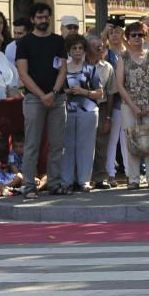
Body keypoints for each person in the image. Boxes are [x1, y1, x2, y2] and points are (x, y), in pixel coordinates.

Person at [16, 3, 68, 199]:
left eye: (46, 17)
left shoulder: (58, 41)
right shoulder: (25, 42)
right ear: (32, 19)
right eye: (39, 17)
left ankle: (54, 183)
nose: (43, 20)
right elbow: (23, 73)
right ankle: (29, 186)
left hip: (58, 97)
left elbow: (63, 69)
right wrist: (42, 95)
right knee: (32, 144)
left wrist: (53, 92)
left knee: (57, 144)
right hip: (33, 99)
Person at [116, 21, 149, 189]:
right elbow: (120, 85)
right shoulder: (123, 57)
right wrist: (133, 106)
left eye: (141, 35)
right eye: (133, 35)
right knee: (132, 142)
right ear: (128, 38)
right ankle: (134, 179)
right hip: (129, 106)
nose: (137, 38)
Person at [61, 34, 103, 192]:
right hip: (67, 111)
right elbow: (58, 90)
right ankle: (67, 181)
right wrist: (66, 91)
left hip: (88, 111)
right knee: (67, 146)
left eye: (80, 48)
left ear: (84, 50)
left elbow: (100, 93)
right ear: (69, 51)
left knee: (86, 147)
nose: (77, 51)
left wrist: (83, 91)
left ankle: (84, 180)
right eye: (74, 48)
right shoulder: (63, 69)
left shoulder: (91, 69)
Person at [86, 34, 118, 189]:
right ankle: (84, 178)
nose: (100, 49)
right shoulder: (78, 64)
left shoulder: (108, 67)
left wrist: (109, 117)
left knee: (101, 143)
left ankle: (100, 177)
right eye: (96, 47)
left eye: (102, 46)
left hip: (102, 106)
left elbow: (111, 92)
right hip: (83, 105)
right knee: (85, 143)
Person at [102, 16, 129, 182]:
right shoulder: (106, 53)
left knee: (126, 139)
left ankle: (129, 173)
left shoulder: (129, 53)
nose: (114, 36)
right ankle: (110, 173)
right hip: (114, 101)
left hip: (129, 101)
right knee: (112, 139)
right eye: (111, 33)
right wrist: (104, 32)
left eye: (117, 32)